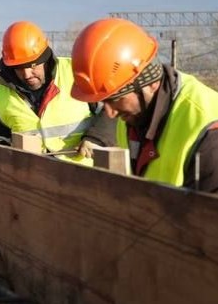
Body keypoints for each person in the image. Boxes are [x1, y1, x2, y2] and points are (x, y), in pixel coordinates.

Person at [70, 18, 218, 193]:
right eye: (103, 101)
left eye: (115, 99)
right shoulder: (134, 115)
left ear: (149, 83)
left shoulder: (208, 131)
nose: (109, 113)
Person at [0, 20, 115, 163]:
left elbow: (114, 108)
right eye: (19, 68)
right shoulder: (2, 91)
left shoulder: (76, 73)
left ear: (45, 58)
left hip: (83, 177)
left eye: (32, 65)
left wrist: (97, 138)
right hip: (32, 178)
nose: (27, 74)